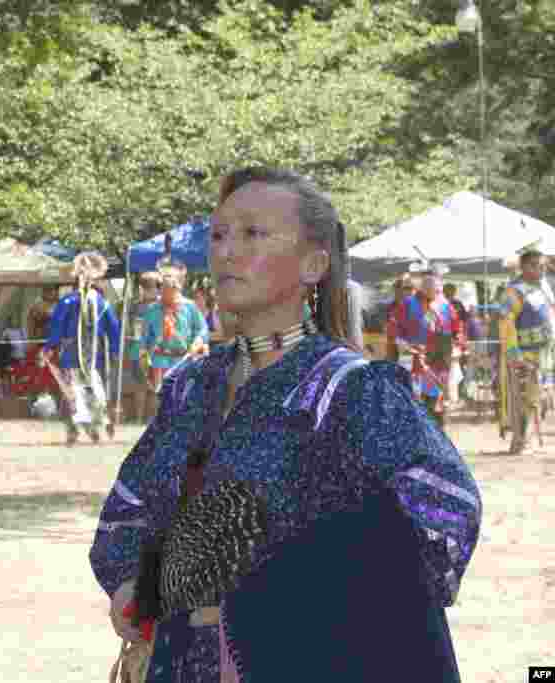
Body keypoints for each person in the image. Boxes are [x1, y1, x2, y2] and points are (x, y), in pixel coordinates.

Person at [90, 167, 480, 683]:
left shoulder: (347, 391)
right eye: (220, 235)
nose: (226, 251)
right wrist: (130, 589)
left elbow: (447, 512)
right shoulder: (191, 388)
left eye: (253, 234)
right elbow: (127, 512)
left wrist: (288, 606)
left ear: (314, 264)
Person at [42, 253, 121, 445]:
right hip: (71, 357)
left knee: (95, 394)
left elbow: (113, 328)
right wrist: (51, 345)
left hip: (94, 358)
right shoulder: (69, 302)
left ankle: (93, 426)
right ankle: (73, 430)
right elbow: (57, 326)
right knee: (72, 394)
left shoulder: (100, 303)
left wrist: (116, 348)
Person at [386, 262, 464, 429]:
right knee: (415, 403)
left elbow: (457, 328)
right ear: (421, 284)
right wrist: (399, 341)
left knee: (437, 403)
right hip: (414, 360)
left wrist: (458, 345)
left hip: (440, 362)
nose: (433, 287)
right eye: (427, 281)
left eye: (435, 283)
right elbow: (393, 327)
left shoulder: (445, 306)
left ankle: (438, 439)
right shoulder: (408, 304)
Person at [497, 247, 555, 454]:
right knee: (522, 398)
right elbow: (505, 323)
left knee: (538, 399)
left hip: (545, 353)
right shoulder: (514, 291)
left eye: (542, 266)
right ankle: (519, 441)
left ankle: (527, 438)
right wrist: (514, 354)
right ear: (522, 267)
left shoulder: (544, 288)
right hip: (524, 353)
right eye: (535, 265)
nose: (540, 270)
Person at [139, 259, 208, 394]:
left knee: (183, 398)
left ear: (178, 289)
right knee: (162, 399)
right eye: (164, 290)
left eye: (172, 291)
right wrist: (143, 363)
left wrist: (197, 342)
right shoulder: (152, 310)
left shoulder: (190, 307)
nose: (166, 296)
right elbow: (143, 339)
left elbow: (202, 329)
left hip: (184, 361)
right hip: (160, 363)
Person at [122, 273, 161, 423]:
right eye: (145, 287)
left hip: (157, 351)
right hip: (137, 350)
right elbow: (129, 329)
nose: (148, 290)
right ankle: (139, 418)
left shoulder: (162, 306)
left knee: (156, 385)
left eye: (151, 287)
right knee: (140, 386)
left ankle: (154, 418)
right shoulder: (134, 307)